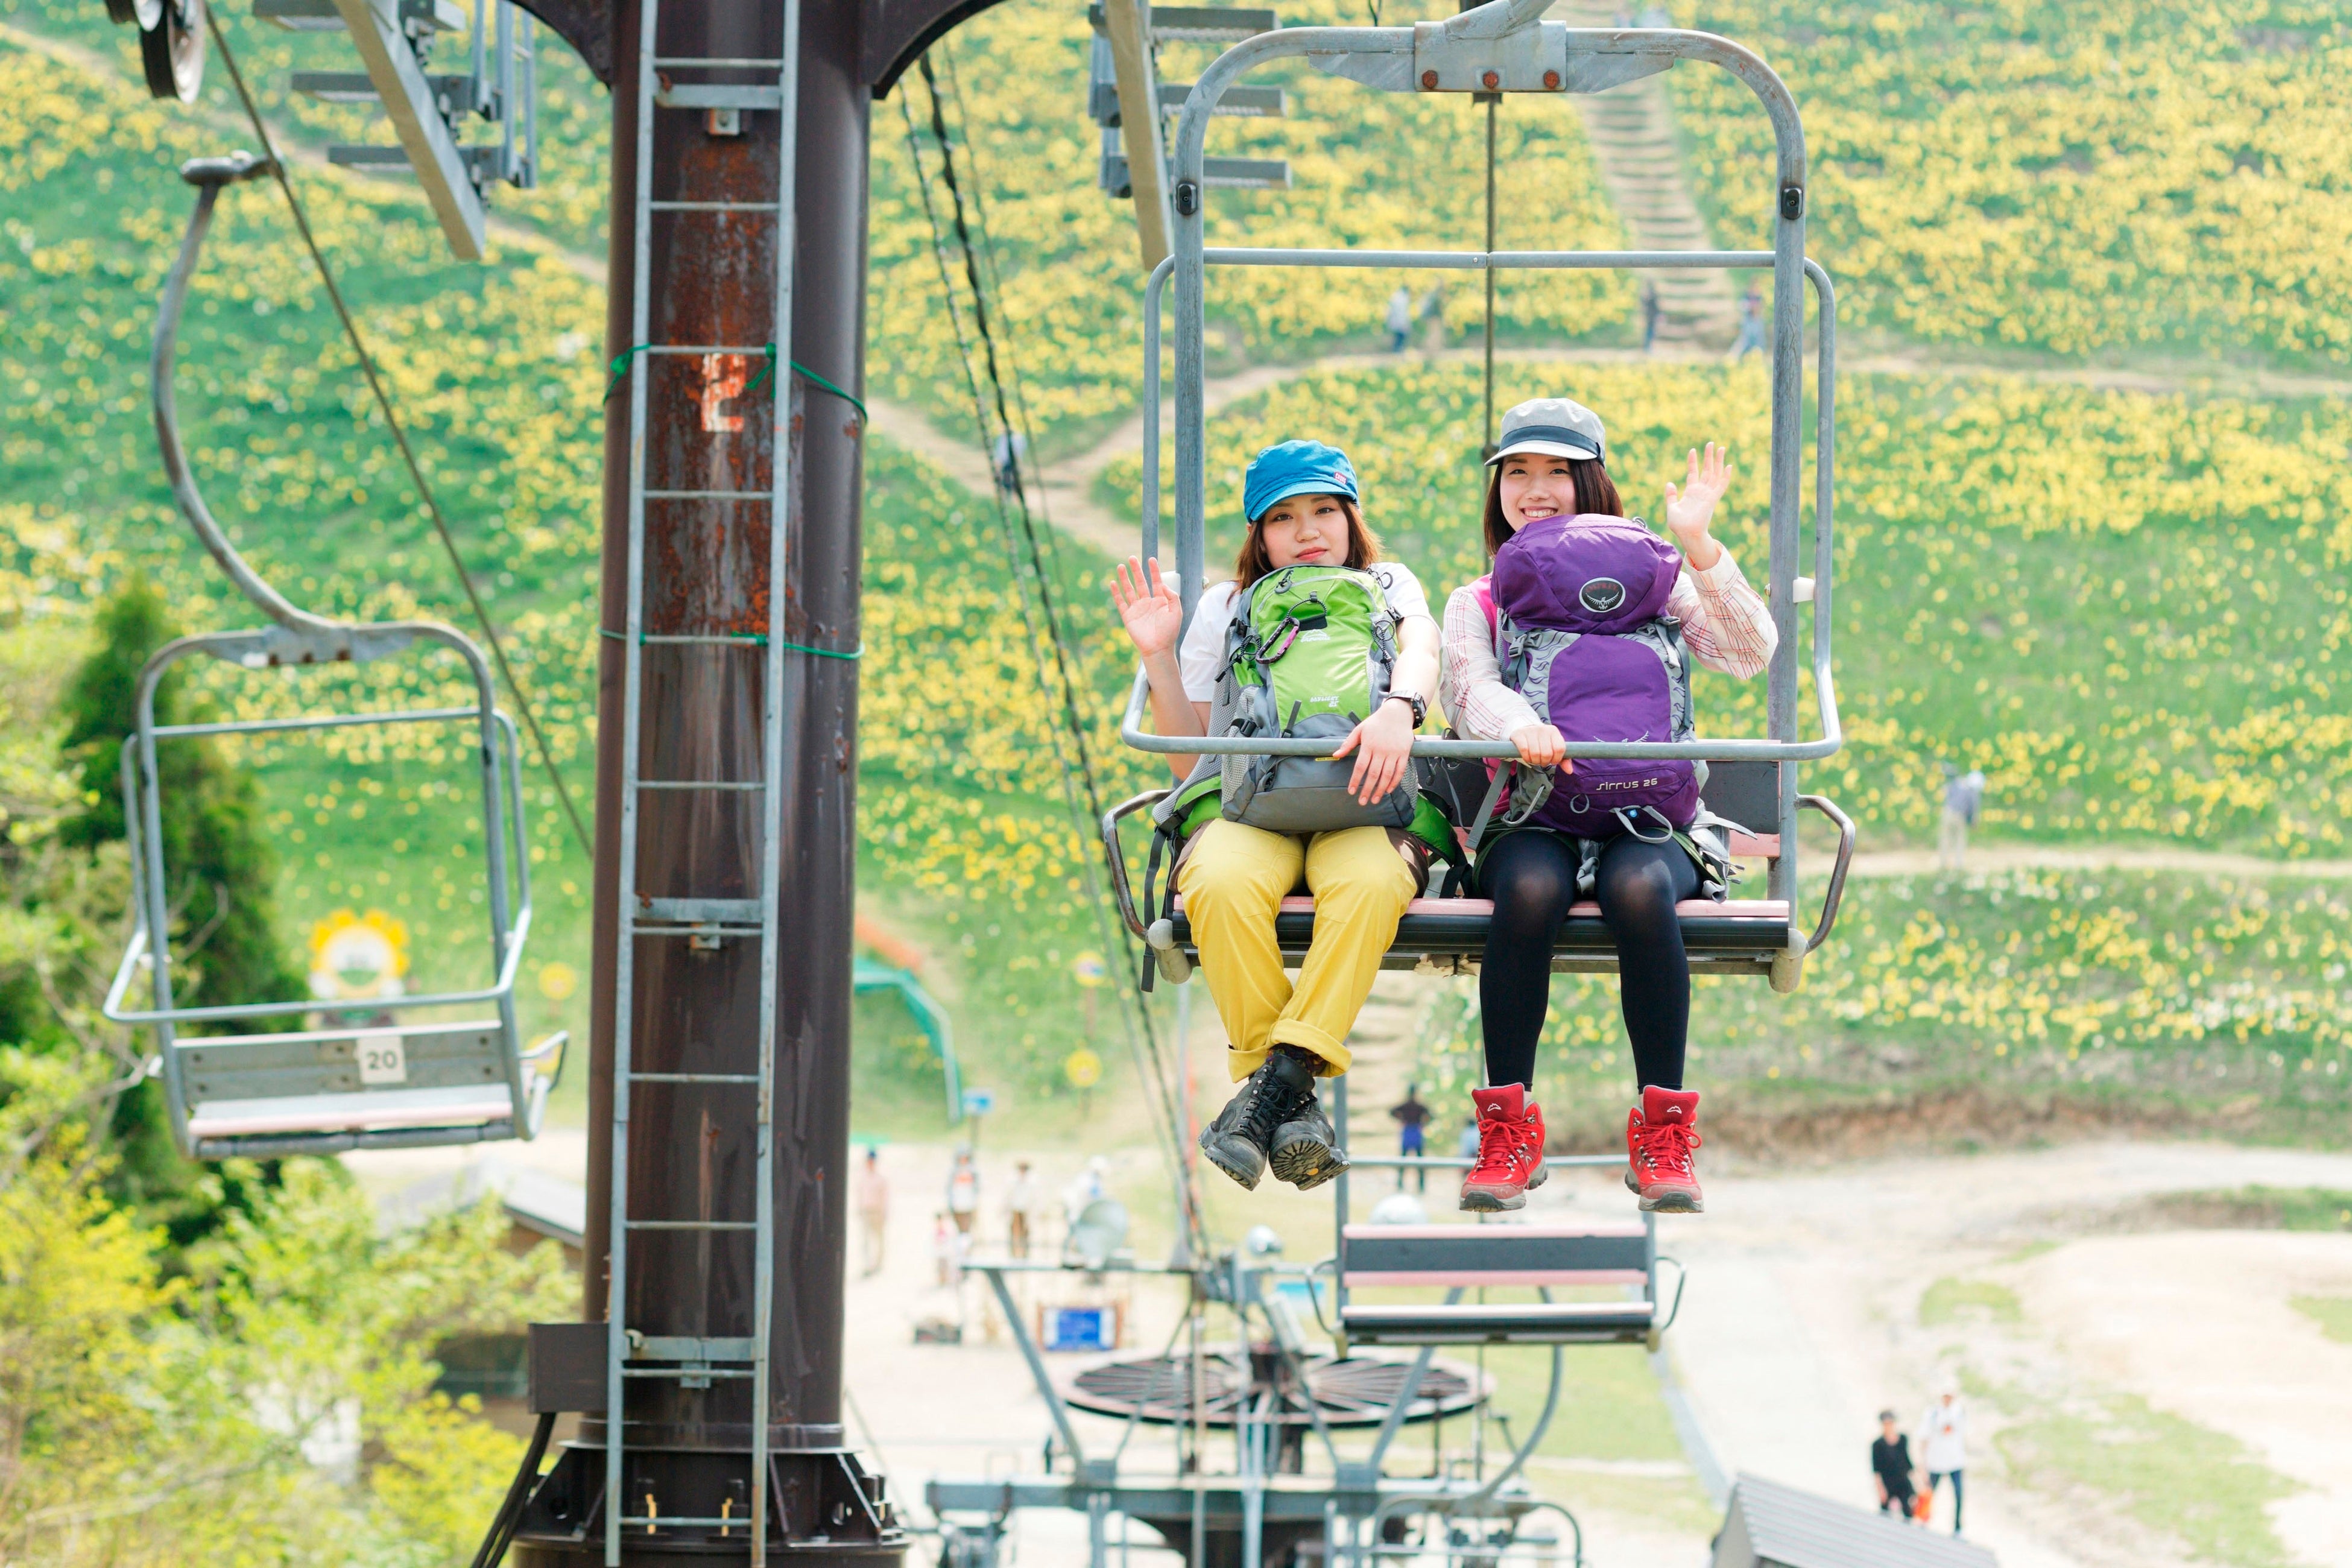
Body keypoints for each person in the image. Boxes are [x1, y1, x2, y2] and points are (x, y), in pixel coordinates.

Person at [1440, 398, 1775, 1213]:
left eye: (1557, 471)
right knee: (1527, 891)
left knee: (1639, 888)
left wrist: (1697, 546)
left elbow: (1748, 652)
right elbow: (1467, 687)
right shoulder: (1481, 598)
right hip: (1536, 813)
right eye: (1518, 473)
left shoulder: (1656, 583)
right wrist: (1524, 728)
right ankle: (1506, 1132)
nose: (1536, 489)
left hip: (1647, 815)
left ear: (1592, 483)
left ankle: (1663, 1135)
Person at [1112, 440, 1444, 1195]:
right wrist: (1158, 656)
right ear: (1259, 535)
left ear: (1351, 516)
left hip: (1368, 801)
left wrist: (1401, 707)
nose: (1308, 530)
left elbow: (1422, 645)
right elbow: (1183, 759)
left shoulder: (1388, 583)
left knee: (1366, 884)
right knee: (1221, 883)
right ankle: (1291, 1098)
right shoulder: (1226, 606)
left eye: (1325, 510)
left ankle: (1264, 1096)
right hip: (1250, 806)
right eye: (1284, 517)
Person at [1919, 1391, 1967, 1534]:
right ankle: (1924, 1519)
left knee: (1959, 1494)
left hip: (1955, 1462)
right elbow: (1924, 1436)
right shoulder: (1933, 1413)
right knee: (1930, 1493)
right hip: (1936, 1462)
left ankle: (1958, 1526)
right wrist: (1922, 1462)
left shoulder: (1959, 1413)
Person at [1871, 1410, 1920, 1522]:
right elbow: (1876, 1470)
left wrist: (1918, 1482)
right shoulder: (1877, 1445)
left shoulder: (1903, 1439)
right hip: (1888, 1483)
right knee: (1885, 1514)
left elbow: (1907, 1462)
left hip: (1903, 1482)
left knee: (1908, 1512)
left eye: (1891, 1423)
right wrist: (1880, 1490)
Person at [1939, 766, 1985, 872]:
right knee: (1960, 839)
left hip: (1948, 812)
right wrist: (1974, 822)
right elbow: (1973, 808)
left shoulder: (1958, 783)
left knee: (1946, 838)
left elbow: (1948, 793)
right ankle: (1958, 864)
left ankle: (1943, 863)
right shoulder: (1973, 791)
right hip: (1960, 816)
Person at [1389, 1084, 1433, 1192]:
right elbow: (1431, 1116)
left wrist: (1401, 1119)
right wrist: (1424, 1122)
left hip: (1409, 1131)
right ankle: (1420, 1186)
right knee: (1419, 1161)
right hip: (1415, 1132)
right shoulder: (1419, 1106)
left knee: (1404, 1160)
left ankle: (1401, 1184)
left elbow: (1392, 1112)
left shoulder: (1406, 1106)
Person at [856, 1145, 890, 1277]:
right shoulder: (863, 1176)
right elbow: (859, 1193)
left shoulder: (881, 1177)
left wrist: (884, 1212)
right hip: (866, 1210)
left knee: (879, 1239)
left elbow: (885, 1197)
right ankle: (868, 1264)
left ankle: (878, 1263)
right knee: (866, 1240)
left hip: (877, 1211)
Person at [1005, 1158, 1040, 1259]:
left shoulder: (1032, 1181)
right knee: (1014, 1233)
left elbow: (1035, 1198)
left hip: (1026, 1211)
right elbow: (1008, 1196)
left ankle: (1025, 1255)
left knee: (1025, 1233)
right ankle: (1013, 1255)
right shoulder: (1012, 1180)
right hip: (1015, 1210)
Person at [946, 1146, 980, 1236]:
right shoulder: (954, 1171)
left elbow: (976, 1188)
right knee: (957, 1227)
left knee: (967, 1227)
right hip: (957, 1203)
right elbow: (949, 1189)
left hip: (969, 1204)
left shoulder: (973, 1172)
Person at [1728, 285, 1764, 361]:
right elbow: (1743, 307)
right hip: (1748, 320)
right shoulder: (1746, 297)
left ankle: (1756, 357)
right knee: (1745, 340)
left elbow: (1760, 308)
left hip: (1756, 320)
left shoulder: (1759, 298)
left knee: (1758, 340)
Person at [1385, 285, 1414, 353]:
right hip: (1401, 321)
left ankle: (1397, 350)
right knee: (1400, 337)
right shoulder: (1404, 298)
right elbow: (1404, 313)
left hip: (1396, 320)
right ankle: (1398, 350)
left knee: (1397, 336)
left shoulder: (1395, 297)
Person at [1419, 285, 1446, 354]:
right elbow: (1438, 310)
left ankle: (1430, 349)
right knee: (1434, 334)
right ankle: (1431, 349)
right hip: (1434, 318)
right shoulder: (1436, 298)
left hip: (1430, 318)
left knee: (1431, 333)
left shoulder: (1431, 297)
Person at [1639, 281, 1661, 353]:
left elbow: (1656, 307)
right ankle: (1647, 347)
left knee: (1650, 332)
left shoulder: (1652, 296)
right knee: (1650, 332)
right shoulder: (1651, 296)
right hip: (1650, 316)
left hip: (1650, 316)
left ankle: (1648, 347)